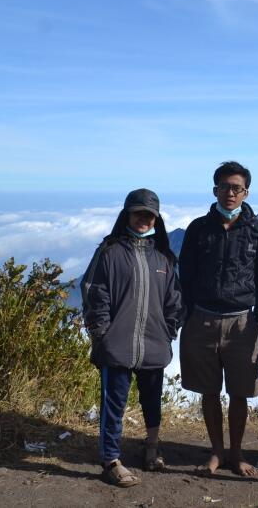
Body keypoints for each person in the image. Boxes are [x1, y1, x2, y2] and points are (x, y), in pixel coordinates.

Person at [80, 188, 183, 488]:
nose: (143, 218)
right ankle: (111, 459)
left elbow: (174, 299)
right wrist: (102, 333)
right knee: (115, 403)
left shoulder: (163, 257)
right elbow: (94, 292)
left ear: (156, 219)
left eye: (149, 214)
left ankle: (152, 447)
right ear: (127, 214)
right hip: (117, 345)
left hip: (154, 343)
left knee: (152, 401)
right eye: (138, 212)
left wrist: (169, 330)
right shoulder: (110, 252)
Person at [178, 161, 258, 477]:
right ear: (215, 189)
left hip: (242, 322)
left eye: (237, 188)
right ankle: (216, 452)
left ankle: (236, 452)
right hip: (202, 319)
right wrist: (187, 315)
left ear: (246, 192)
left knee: (240, 392)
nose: (230, 193)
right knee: (208, 390)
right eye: (224, 187)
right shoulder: (198, 228)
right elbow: (185, 274)